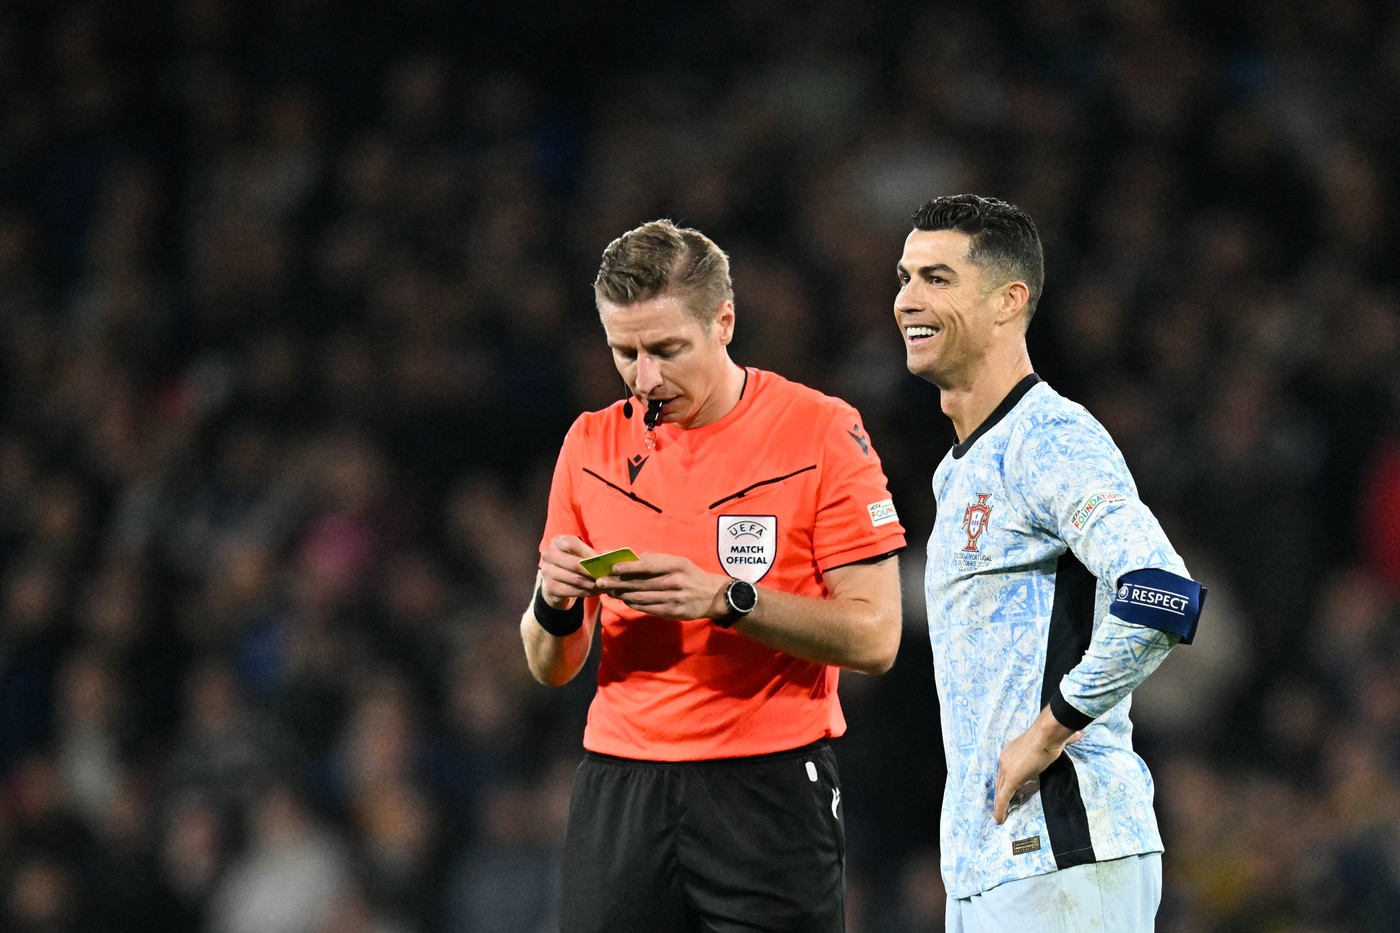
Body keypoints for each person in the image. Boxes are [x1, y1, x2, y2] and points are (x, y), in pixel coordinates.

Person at [522, 219, 907, 932]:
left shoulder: (820, 430)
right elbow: (552, 664)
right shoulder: (590, 442)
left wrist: (725, 599)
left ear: (724, 320)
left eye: (667, 349)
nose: (645, 377)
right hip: (620, 786)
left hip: (766, 786)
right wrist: (552, 601)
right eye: (624, 351)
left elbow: (877, 636)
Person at [893, 194, 1206, 931]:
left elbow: (1163, 593)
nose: (908, 298)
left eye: (937, 278)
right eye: (905, 276)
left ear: (1009, 301)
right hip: (991, 863)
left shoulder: (1049, 438)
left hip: (1064, 846)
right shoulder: (955, 471)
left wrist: (1049, 729)